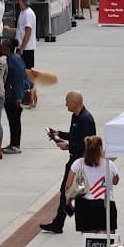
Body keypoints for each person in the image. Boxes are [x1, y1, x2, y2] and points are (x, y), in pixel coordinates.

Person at [39, 91, 97, 234]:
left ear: (74, 102)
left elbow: (87, 144)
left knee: (71, 192)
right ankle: (60, 221)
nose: (65, 104)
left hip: (80, 162)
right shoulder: (76, 116)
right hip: (73, 160)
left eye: (67, 101)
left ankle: (62, 222)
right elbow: (74, 136)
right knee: (68, 193)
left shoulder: (85, 119)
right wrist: (57, 134)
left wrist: (67, 146)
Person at [64, 136, 120, 234]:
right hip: (105, 204)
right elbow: (116, 181)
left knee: (89, 242)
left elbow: (68, 185)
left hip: (85, 206)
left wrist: (68, 202)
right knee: (107, 242)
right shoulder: (109, 164)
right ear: (101, 149)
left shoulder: (78, 163)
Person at [2, 36, 31, 154]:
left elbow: (18, 79)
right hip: (12, 94)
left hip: (13, 96)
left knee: (14, 121)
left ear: (8, 48)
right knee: (13, 121)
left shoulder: (13, 60)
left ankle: (15, 145)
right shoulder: (14, 58)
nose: (1, 47)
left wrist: (18, 97)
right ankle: (13, 143)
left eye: (3, 45)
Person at [15, 0, 38, 69]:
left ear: (20, 1)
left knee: (26, 71)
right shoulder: (22, 12)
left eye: (17, 1)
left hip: (26, 48)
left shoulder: (28, 14)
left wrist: (22, 48)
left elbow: (28, 33)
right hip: (21, 46)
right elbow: (21, 29)